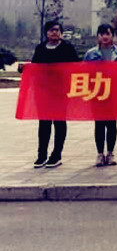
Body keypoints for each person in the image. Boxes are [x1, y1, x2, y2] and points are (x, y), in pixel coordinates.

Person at [31, 20, 79, 168]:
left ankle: (56, 154)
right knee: (44, 123)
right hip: (43, 92)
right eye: (51, 30)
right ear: (46, 33)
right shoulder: (40, 49)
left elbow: (76, 67)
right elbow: (34, 67)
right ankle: (42, 155)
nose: (54, 32)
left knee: (59, 122)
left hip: (61, 92)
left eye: (57, 30)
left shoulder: (67, 48)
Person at [84, 23, 117, 167]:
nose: (105, 37)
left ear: (112, 36)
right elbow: (84, 73)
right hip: (97, 93)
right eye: (102, 34)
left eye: (108, 33)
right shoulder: (90, 54)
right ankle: (99, 154)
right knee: (99, 124)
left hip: (113, 93)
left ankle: (110, 153)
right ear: (98, 36)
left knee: (112, 124)